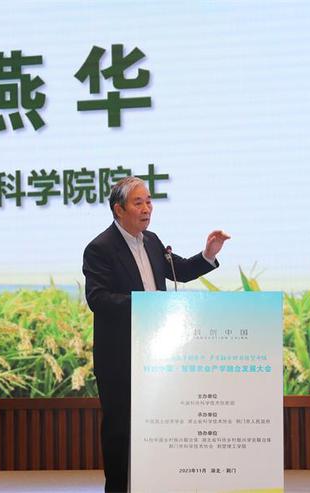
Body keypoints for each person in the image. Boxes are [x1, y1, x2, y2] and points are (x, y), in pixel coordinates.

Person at [82, 176, 230, 492]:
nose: (147, 208)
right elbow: (98, 299)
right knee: (120, 430)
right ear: (119, 209)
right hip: (120, 357)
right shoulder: (99, 248)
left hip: (156, 354)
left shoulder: (151, 241)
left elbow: (179, 271)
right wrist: (146, 305)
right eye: (138, 202)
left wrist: (208, 254)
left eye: (149, 201)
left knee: (158, 426)